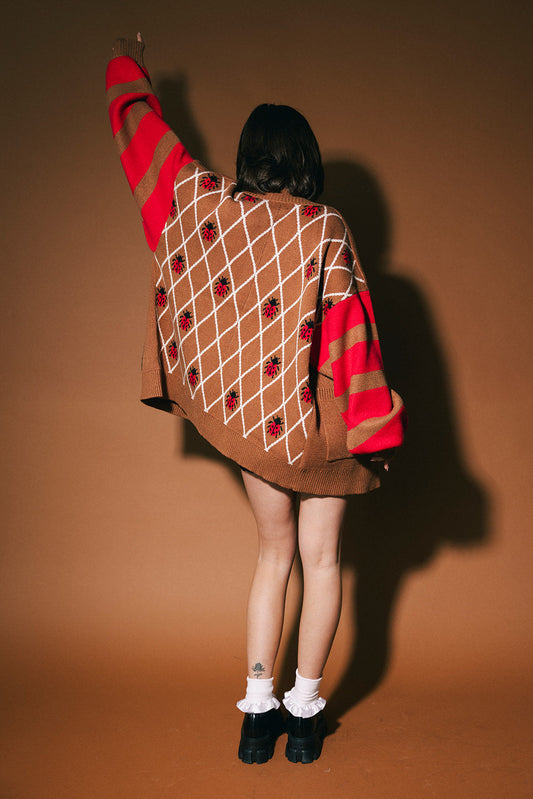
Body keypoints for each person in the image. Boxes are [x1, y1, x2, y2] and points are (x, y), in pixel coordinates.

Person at [106, 33, 407, 765]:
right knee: (325, 560)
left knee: (273, 555)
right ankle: (303, 719)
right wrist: (378, 422)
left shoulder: (203, 206)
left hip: (254, 419)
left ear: (248, 158)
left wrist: (128, 71)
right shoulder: (326, 227)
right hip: (324, 428)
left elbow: (146, 143)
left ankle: (254, 719)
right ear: (306, 161)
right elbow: (352, 340)